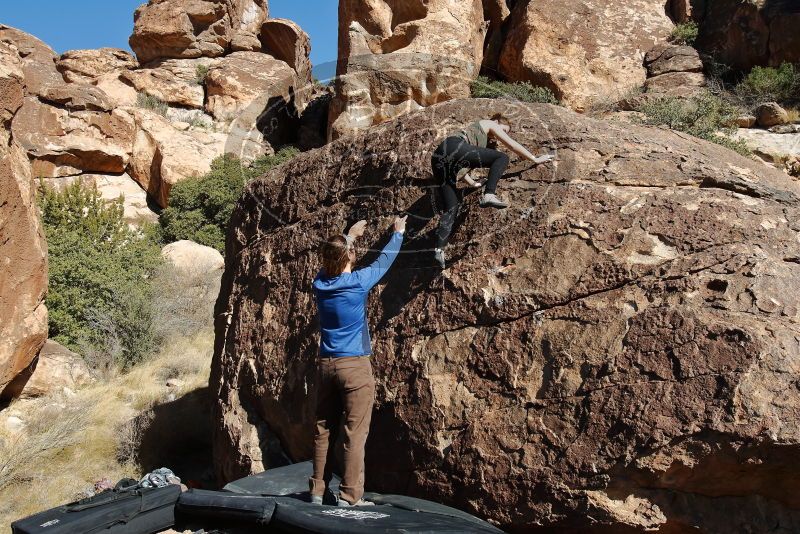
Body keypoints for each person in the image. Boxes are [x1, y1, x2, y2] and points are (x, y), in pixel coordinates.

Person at [309, 215, 407, 507]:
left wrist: (349, 236)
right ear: (349, 256)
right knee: (355, 433)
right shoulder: (357, 283)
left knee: (323, 431)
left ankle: (316, 491)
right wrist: (398, 232)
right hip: (354, 366)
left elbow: (333, 257)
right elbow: (384, 260)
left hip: (326, 365)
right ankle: (350, 496)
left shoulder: (319, 284)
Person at [431, 113, 555, 268]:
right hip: (454, 146)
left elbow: (461, 170)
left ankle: (439, 249)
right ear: (496, 122)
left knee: (452, 207)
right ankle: (489, 194)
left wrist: (474, 184)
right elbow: (511, 145)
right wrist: (535, 159)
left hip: (439, 157)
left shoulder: (474, 138)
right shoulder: (488, 123)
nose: (500, 136)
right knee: (501, 158)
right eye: (504, 130)